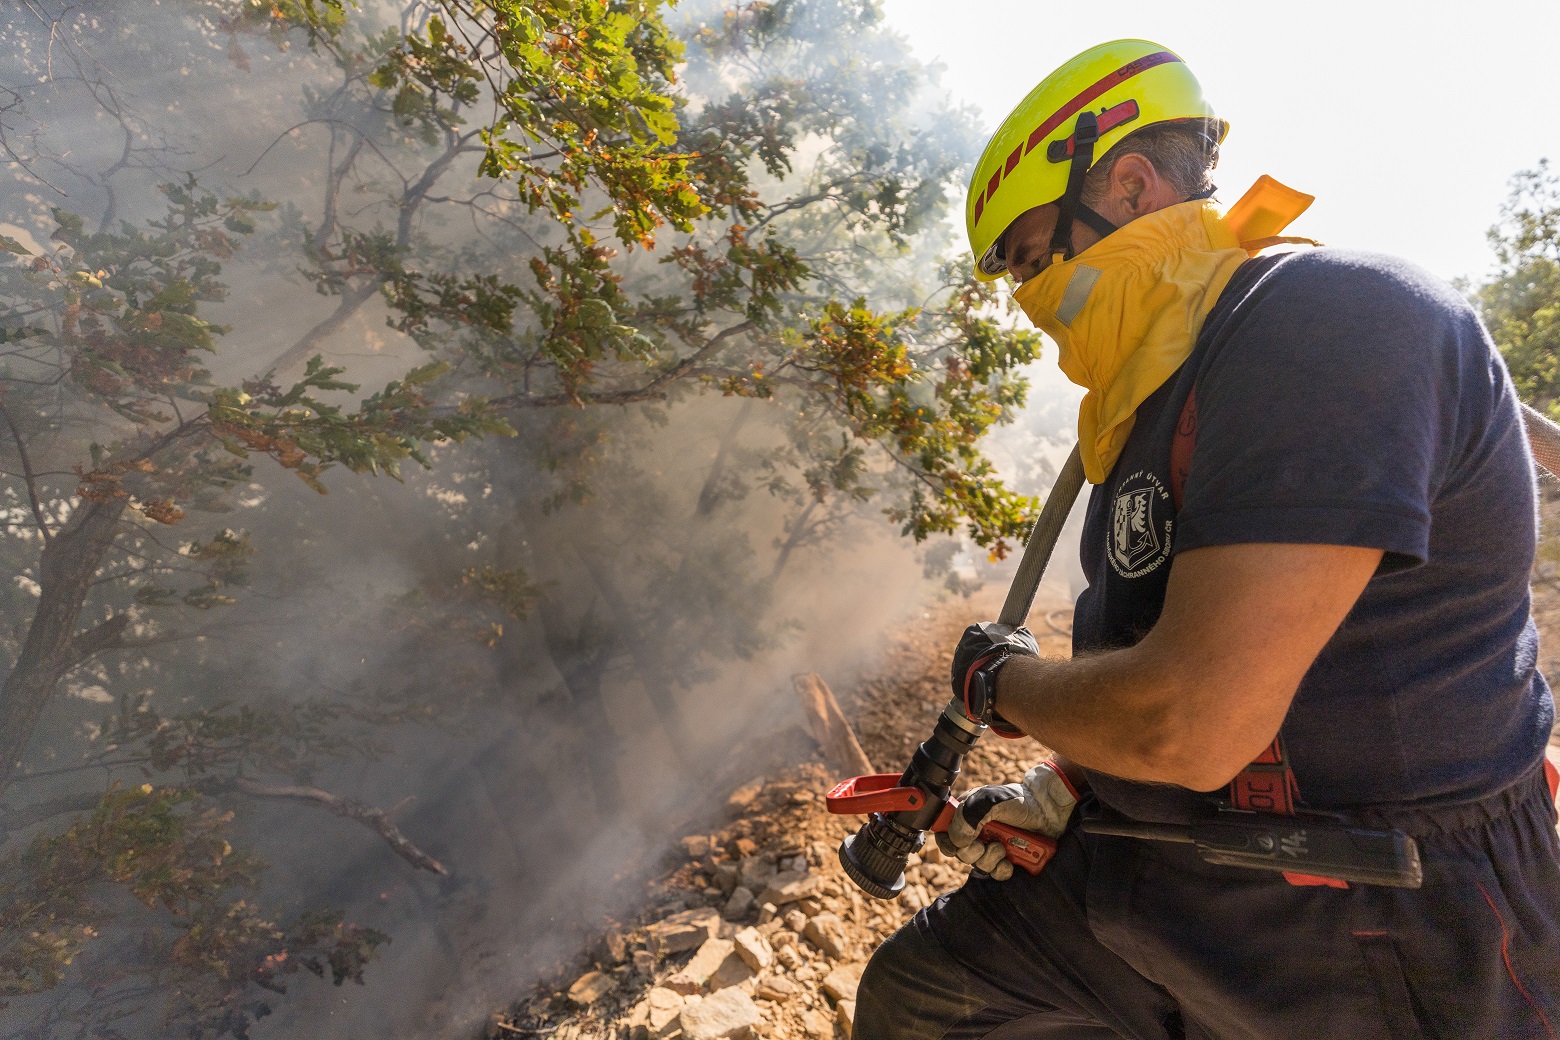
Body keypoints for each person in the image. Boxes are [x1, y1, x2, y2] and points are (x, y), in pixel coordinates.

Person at [853, 38, 1560, 1039]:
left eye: (1024, 256)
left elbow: (1188, 719)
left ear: (1130, 185)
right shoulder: (1160, 400)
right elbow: (1162, 657)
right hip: (1186, 865)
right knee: (928, 995)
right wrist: (1071, 787)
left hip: (1384, 903)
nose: (1022, 296)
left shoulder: (1327, 321)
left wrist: (1000, 686)